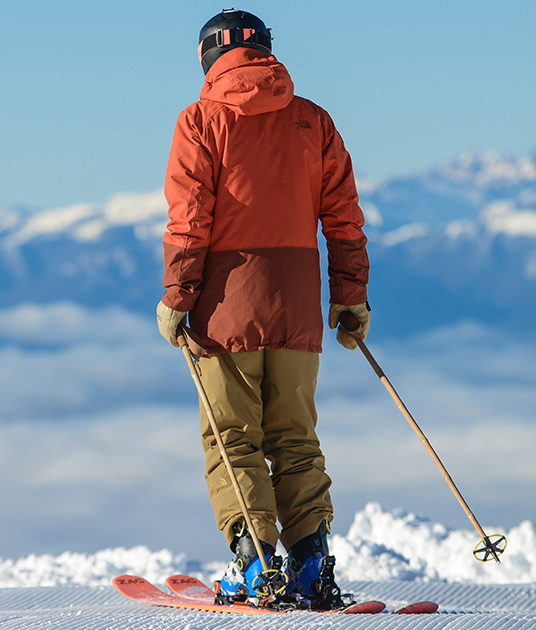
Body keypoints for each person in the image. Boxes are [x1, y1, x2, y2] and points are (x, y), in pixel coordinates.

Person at [155, 8, 371, 610]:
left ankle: (257, 569)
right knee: (296, 438)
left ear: (206, 57)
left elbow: (189, 220)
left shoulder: (199, 121)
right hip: (299, 305)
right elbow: (344, 218)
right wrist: (350, 298)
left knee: (233, 438)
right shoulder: (313, 121)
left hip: (226, 307)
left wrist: (178, 297)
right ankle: (311, 567)